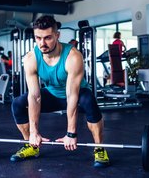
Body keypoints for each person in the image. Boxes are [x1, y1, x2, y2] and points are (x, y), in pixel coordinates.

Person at [10, 15, 110, 168]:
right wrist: (34, 133)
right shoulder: (31, 58)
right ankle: (31, 145)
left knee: (89, 101)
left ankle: (99, 148)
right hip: (52, 94)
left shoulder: (73, 56)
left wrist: (71, 133)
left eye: (48, 38)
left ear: (57, 35)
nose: (42, 43)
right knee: (18, 104)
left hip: (77, 93)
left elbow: (72, 95)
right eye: (38, 38)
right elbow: (35, 96)